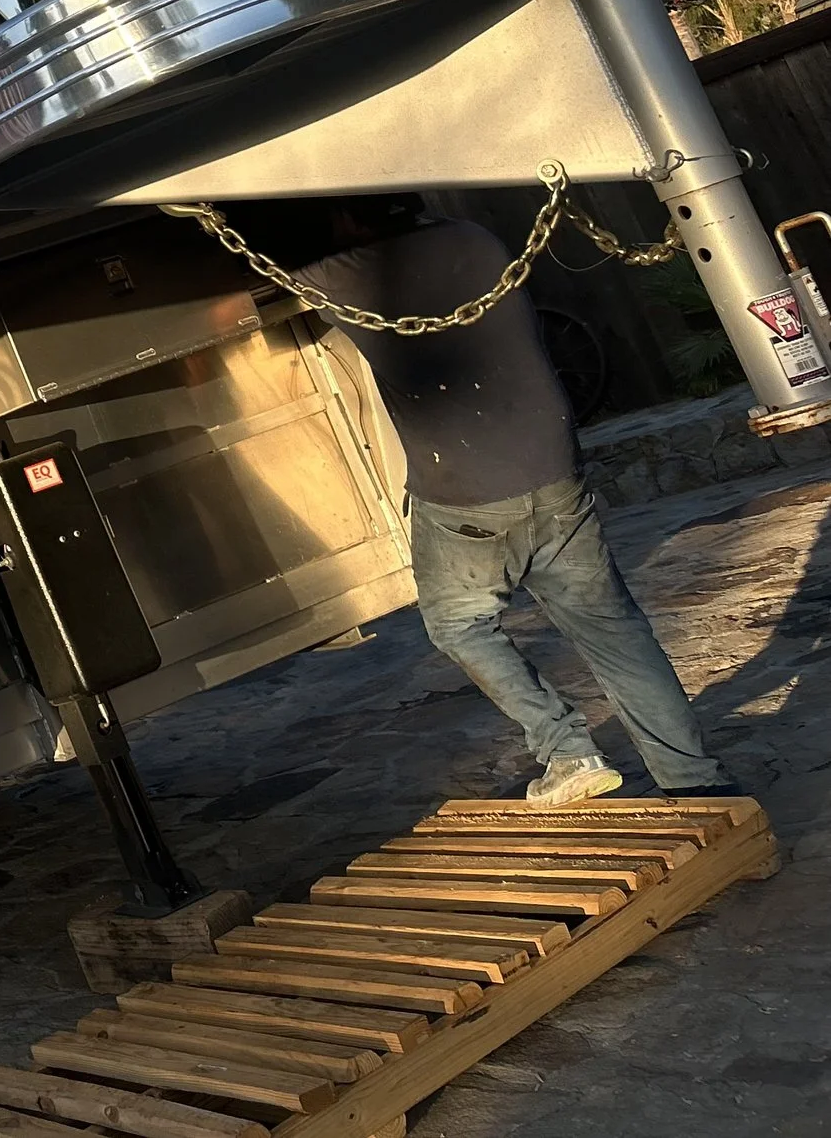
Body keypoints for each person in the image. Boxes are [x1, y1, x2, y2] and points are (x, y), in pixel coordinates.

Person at [221, 193, 732, 805]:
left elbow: (235, 296)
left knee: (458, 623)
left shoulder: (341, 275)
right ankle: (696, 781)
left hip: (464, 491)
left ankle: (567, 751)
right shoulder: (475, 237)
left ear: (343, 215)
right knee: (615, 634)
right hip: (556, 467)